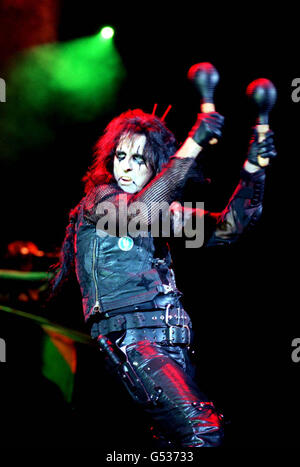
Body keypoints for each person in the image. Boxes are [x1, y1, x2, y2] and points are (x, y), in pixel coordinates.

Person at [51, 108, 276, 447]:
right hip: (134, 342)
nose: (125, 166)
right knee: (202, 431)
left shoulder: (158, 216)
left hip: (170, 344)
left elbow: (229, 228)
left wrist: (254, 170)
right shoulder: (100, 204)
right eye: (121, 156)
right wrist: (195, 142)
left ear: (156, 166)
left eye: (139, 159)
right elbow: (141, 213)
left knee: (176, 441)